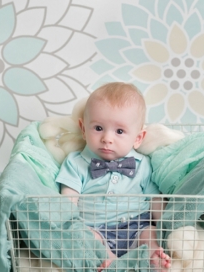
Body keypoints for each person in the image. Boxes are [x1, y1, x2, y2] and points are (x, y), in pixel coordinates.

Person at [55, 82, 171, 271]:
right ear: (83, 129)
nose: (107, 138)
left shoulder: (142, 164)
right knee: (88, 238)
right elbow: (68, 202)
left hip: (136, 225)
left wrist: (168, 225)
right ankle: (109, 261)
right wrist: (70, 224)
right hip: (96, 228)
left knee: (150, 234)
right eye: (98, 128)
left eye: (119, 131)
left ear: (138, 138)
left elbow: (155, 200)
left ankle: (153, 255)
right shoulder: (75, 163)